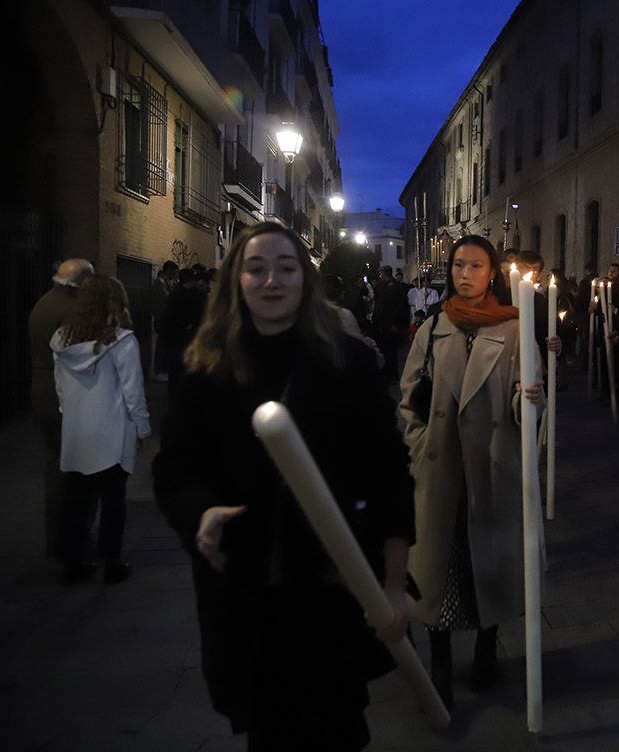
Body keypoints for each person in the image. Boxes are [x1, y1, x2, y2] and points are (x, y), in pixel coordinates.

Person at [153, 223, 413, 751]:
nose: (271, 280)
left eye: (286, 268)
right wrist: (199, 513)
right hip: (248, 592)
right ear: (237, 280)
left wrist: (392, 582)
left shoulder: (347, 363)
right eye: (256, 268)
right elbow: (175, 467)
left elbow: (388, 474)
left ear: (305, 281)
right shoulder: (207, 368)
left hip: (331, 586)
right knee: (269, 730)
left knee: (336, 727)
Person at [400, 234, 543, 710]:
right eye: (459, 265)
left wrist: (530, 399)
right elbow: (409, 400)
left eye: (476, 266)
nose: (466, 274)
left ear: (493, 273)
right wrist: (419, 444)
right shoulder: (432, 328)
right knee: (439, 569)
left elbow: (530, 391)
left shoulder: (514, 327)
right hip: (441, 467)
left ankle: (486, 651)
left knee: (488, 568)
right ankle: (439, 661)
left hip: (489, 465)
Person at [51, 273, 148, 585]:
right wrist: (143, 428)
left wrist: (70, 414)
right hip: (111, 432)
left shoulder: (63, 341)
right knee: (113, 502)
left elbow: (61, 389)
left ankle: (72, 562)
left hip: (77, 431)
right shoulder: (122, 342)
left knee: (76, 502)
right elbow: (133, 392)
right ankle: (112, 563)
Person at [28, 258, 93, 558]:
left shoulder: (43, 303)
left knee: (56, 465)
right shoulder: (70, 311)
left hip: (42, 390)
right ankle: (69, 543)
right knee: (74, 472)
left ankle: (57, 539)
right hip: (63, 394)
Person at [150, 260, 179, 379]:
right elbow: (166, 300)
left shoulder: (165, 282)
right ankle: (161, 370)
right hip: (162, 319)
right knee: (162, 344)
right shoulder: (160, 283)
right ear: (169, 271)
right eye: (175, 272)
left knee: (164, 344)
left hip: (164, 319)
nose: (176, 275)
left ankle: (163, 369)